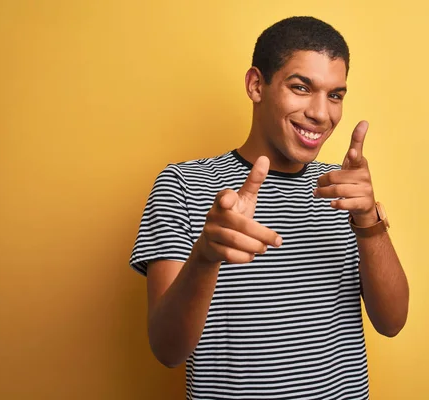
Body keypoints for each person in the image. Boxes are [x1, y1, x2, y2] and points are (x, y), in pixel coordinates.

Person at [130, 16, 409, 400]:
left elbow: (392, 322)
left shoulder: (343, 187)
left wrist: (368, 222)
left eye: (335, 95)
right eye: (301, 87)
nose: (321, 113)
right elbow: (166, 349)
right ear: (256, 85)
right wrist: (205, 257)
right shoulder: (183, 185)